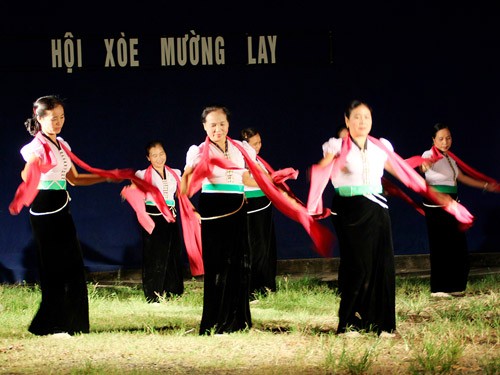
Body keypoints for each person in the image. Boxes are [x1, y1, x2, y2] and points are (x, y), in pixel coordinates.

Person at [12, 95, 116, 337]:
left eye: (61, 117)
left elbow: (75, 179)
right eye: (52, 118)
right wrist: (38, 165)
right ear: (39, 118)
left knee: (72, 265)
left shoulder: (62, 145)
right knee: (54, 267)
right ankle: (52, 324)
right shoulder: (35, 147)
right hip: (45, 208)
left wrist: (107, 176)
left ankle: (73, 323)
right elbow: (27, 177)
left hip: (61, 206)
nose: (58, 122)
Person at [312, 100, 402, 337]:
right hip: (349, 209)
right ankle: (349, 322)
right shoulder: (336, 146)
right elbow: (323, 168)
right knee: (357, 264)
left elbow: (399, 169)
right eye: (357, 117)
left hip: (377, 207)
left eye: (366, 117)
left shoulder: (381, 146)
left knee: (382, 263)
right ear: (347, 120)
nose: (362, 122)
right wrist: (330, 161)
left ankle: (383, 323)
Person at [180, 105, 255, 335]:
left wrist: (272, 185)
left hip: (238, 207)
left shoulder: (240, 148)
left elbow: (245, 178)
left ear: (228, 124)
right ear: (204, 126)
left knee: (239, 263)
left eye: (222, 123)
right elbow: (186, 186)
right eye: (212, 125)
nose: (218, 129)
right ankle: (216, 321)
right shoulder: (199, 151)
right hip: (214, 209)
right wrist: (186, 183)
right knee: (218, 265)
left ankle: (238, 320)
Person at [420, 123, 499, 298]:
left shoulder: (451, 159)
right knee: (440, 246)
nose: (445, 142)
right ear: (433, 140)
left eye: (448, 138)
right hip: (436, 206)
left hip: (453, 205)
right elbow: (423, 166)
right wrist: (426, 164)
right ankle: (439, 288)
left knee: (456, 246)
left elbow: (462, 178)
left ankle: (455, 286)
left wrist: (486, 186)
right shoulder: (429, 154)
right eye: (440, 138)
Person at [131, 140, 184, 302]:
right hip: (153, 216)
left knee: (173, 253)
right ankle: (153, 295)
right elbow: (134, 191)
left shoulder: (175, 173)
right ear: (148, 158)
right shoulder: (142, 174)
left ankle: (172, 291)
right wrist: (129, 192)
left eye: (161, 154)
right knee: (154, 255)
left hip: (171, 215)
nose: (159, 158)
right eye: (154, 155)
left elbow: (182, 194)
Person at [240, 127, 277, 298]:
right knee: (254, 247)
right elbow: (246, 179)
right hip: (252, 206)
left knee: (266, 246)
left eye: (260, 142)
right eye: (254, 143)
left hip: (264, 204)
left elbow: (267, 177)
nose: (258, 146)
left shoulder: (257, 160)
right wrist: (267, 181)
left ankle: (266, 285)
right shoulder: (242, 160)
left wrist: (270, 181)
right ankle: (253, 288)